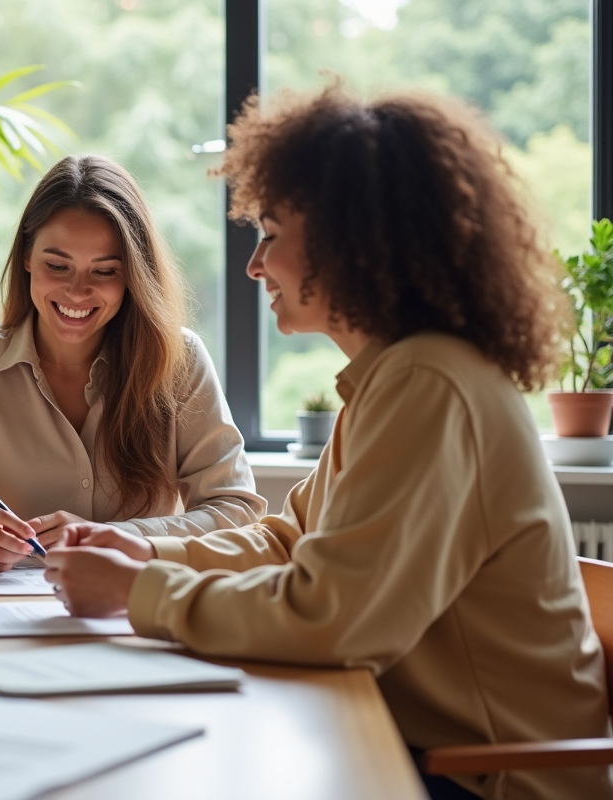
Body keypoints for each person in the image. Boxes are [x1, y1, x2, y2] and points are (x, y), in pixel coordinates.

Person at [44, 84, 612, 800]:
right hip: (415, 743)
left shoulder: (430, 385)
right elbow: (290, 541)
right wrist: (147, 550)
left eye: (272, 235)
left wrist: (139, 591)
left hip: (479, 778)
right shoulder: (394, 377)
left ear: (351, 243)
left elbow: (334, 620)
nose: (254, 266)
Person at [0, 155, 264, 572]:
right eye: (57, 266)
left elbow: (238, 512)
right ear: (27, 257)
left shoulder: (180, 360)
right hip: (2, 615)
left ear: (132, 276)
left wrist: (122, 539)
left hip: (139, 609)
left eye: (104, 271)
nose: (77, 292)